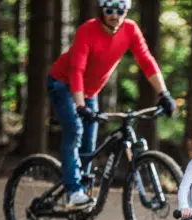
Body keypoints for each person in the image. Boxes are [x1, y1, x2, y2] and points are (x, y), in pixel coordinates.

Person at [47, 0, 177, 209]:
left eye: (120, 10)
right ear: (101, 10)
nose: (114, 15)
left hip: (90, 92)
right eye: (109, 10)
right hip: (63, 84)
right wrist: (80, 106)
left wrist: (164, 94)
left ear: (126, 10)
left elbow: (146, 60)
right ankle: (73, 192)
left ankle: (84, 191)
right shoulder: (87, 31)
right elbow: (76, 71)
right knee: (75, 131)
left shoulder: (130, 30)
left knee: (90, 144)